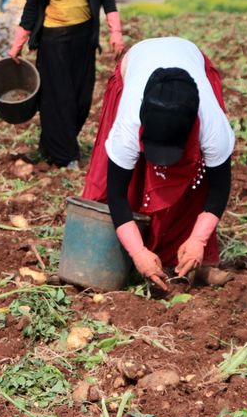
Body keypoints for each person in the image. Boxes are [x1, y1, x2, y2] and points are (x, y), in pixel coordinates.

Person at [81, 37, 236, 292]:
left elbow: (219, 188)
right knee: (123, 184)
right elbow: (116, 195)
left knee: (196, 185)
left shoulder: (212, 126)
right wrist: (138, 251)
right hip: (137, 61)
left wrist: (198, 239)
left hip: (189, 57)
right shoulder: (128, 125)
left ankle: (183, 259)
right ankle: (136, 257)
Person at [9, 0, 123, 170]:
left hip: (84, 41)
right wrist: (17, 45)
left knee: (82, 100)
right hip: (54, 42)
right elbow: (31, 6)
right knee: (59, 100)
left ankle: (53, 145)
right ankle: (65, 155)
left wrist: (116, 33)